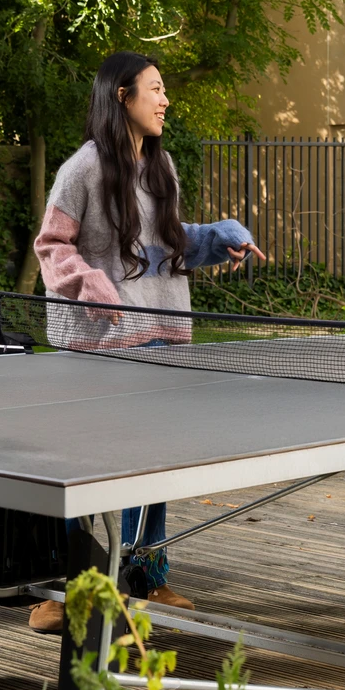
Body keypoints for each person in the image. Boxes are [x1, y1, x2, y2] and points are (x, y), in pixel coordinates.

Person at [26, 51, 264, 634]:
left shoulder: (162, 168)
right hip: (99, 345)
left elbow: (167, 246)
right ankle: (67, 591)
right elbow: (53, 246)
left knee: (153, 464)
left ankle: (147, 576)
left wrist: (220, 237)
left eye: (164, 90)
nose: (165, 100)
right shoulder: (81, 169)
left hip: (161, 335)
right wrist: (90, 283)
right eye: (154, 89)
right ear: (121, 96)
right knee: (81, 466)